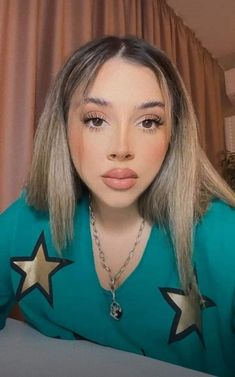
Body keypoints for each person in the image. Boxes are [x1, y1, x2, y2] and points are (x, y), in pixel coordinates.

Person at [0, 35, 235, 376]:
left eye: (148, 121)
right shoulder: (26, 219)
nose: (121, 148)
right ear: (63, 127)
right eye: (96, 119)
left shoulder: (224, 239)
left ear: (173, 134)